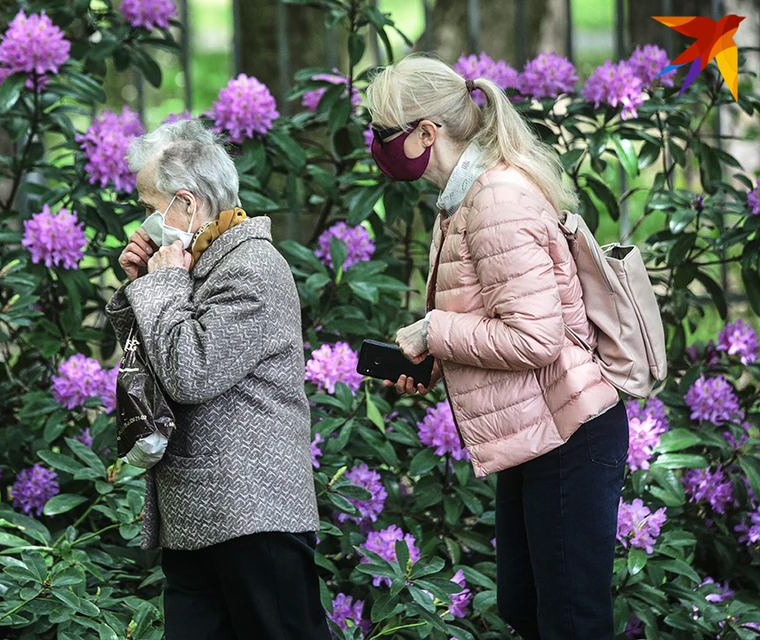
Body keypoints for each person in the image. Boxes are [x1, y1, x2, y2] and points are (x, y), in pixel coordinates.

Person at [366, 55, 628, 640]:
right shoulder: (464, 199)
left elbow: (536, 338)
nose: (376, 146)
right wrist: (434, 360)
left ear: (426, 134)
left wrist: (434, 331)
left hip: (570, 434)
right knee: (527, 608)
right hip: (538, 430)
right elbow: (497, 320)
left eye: (383, 132)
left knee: (569, 621)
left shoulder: (497, 200)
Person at [105, 119, 329, 640]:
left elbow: (190, 372)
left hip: (252, 510)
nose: (142, 223)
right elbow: (153, 360)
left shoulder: (251, 266)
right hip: (200, 513)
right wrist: (144, 283)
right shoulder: (197, 262)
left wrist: (161, 283)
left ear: (185, 204)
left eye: (147, 207)